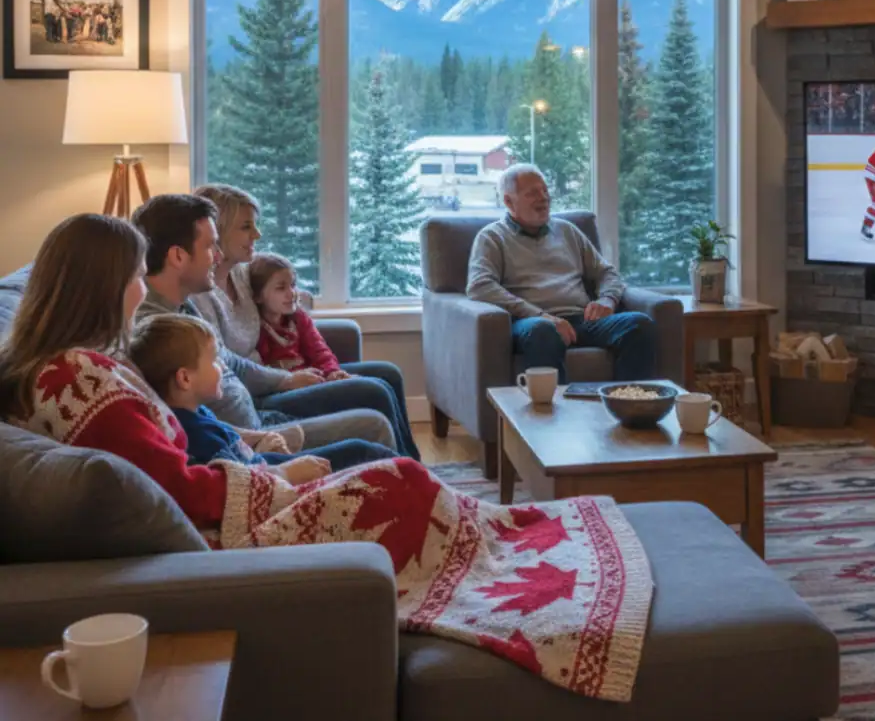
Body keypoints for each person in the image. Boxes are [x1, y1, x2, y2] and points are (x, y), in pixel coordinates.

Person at [0, 213, 652, 698]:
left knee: (391, 468)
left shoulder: (64, 370)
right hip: (227, 530)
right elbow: (178, 484)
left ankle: (497, 542)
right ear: (101, 282)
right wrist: (280, 480)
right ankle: (506, 554)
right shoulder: (79, 379)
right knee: (393, 474)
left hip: (237, 481)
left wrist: (266, 457)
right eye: (135, 277)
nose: (143, 289)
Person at [130, 193, 405, 454]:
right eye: (209, 246)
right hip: (253, 441)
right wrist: (259, 440)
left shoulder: (182, 304)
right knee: (373, 423)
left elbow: (230, 362)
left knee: (377, 398)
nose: (218, 255)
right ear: (178, 256)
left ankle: (423, 487)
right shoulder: (157, 329)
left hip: (260, 419)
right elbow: (190, 425)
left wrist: (286, 379)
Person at [127, 313, 394, 474]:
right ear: (185, 378)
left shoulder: (196, 413)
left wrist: (265, 440)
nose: (222, 366)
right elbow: (242, 480)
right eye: (213, 361)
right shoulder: (195, 434)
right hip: (272, 476)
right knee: (363, 451)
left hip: (267, 459)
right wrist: (287, 469)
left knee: (362, 446)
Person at [466, 164, 656, 384]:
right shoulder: (492, 238)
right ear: (509, 202)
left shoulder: (567, 231)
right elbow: (480, 287)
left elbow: (607, 273)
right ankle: (553, 416)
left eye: (545, 190)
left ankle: (630, 408)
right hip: (531, 323)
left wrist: (607, 299)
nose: (544, 198)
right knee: (543, 331)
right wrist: (541, 316)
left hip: (582, 320)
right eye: (533, 193)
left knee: (638, 325)